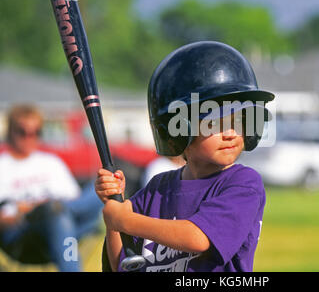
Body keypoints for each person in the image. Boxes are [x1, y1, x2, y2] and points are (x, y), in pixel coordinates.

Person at [95, 41, 275, 272]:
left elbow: (198, 238)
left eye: (239, 121)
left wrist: (125, 220)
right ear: (176, 129)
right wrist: (115, 211)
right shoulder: (157, 189)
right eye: (214, 123)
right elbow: (122, 264)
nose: (231, 134)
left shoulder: (243, 183)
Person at [0, 104, 102, 272]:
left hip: (67, 223)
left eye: (35, 132)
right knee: (56, 215)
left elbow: (76, 201)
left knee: (102, 185)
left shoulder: (51, 162)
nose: (29, 137)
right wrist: (28, 211)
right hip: (24, 235)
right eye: (22, 132)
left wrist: (55, 207)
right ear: (10, 131)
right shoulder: (3, 166)